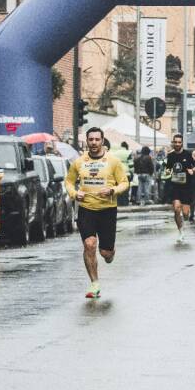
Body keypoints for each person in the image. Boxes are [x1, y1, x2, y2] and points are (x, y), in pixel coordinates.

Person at [65, 127, 129, 298]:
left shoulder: (113, 161)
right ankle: (94, 284)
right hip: (86, 209)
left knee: (105, 253)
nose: (93, 143)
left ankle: (110, 252)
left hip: (107, 210)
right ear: (87, 141)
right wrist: (74, 193)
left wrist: (112, 190)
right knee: (89, 244)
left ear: (102, 141)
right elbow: (69, 182)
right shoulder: (79, 162)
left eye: (97, 139)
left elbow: (124, 183)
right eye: (91, 139)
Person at [165, 134, 195, 242]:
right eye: (175, 142)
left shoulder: (188, 154)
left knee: (186, 214)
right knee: (177, 209)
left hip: (187, 187)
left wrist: (193, 170)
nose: (177, 144)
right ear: (173, 142)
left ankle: (185, 218)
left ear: (182, 143)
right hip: (175, 186)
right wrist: (168, 171)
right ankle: (180, 231)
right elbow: (167, 168)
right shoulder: (170, 155)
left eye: (179, 142)